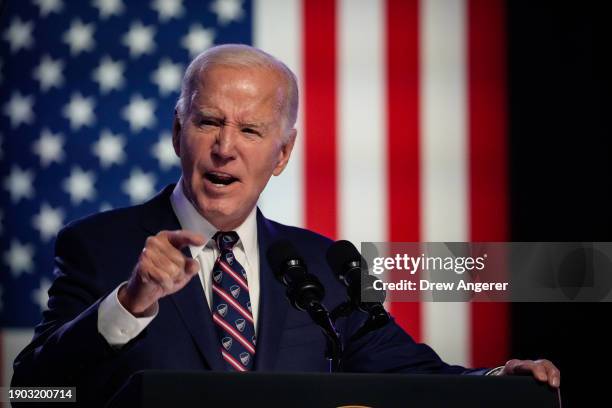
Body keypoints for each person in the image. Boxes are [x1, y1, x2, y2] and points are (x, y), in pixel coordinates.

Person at [12, 44, 560, 406]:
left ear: (282, 153)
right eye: (208, 122)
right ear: (178, 132)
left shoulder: (325, 265)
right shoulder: (97, 245)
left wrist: (494, 382)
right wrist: (130, 303)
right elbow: (33, 394)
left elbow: (409, 374)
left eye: (250, 130)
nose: (225, 148)